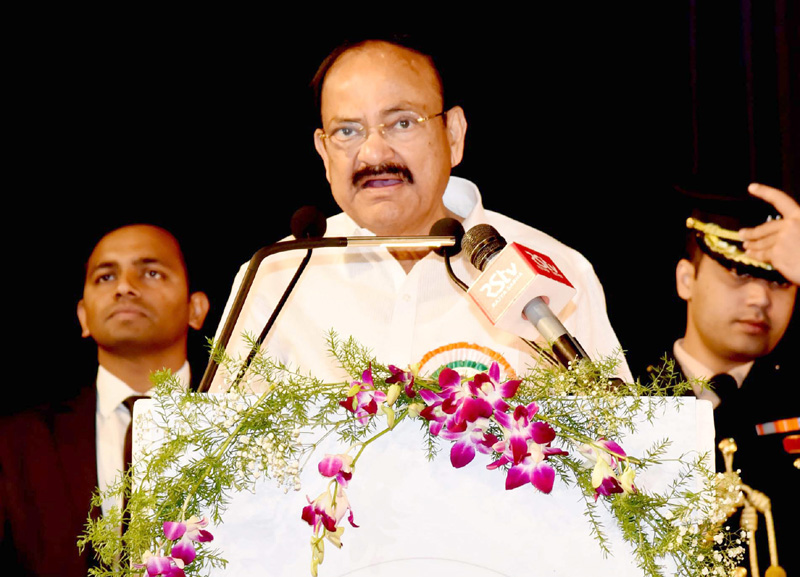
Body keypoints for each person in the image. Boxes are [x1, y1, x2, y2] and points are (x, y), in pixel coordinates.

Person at [210, 35, 631, 392]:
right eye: (347, 131)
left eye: (402, 123)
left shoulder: (553, 270)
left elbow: (616, 441)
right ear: (323, 152)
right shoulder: (275, 275)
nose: (373, 153)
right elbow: (216, 446)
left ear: (453, 134)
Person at [0, 224, 210, 577]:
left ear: (196, 309)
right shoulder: (14, 444)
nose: (125, 287)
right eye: (106, 277)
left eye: (152, 272)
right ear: (83, 316)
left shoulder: (248, 431)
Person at [646, 179, 798, 576]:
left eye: (780, 280)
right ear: (686, 280)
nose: (760, 299)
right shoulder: (628, 397)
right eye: (738, 273)